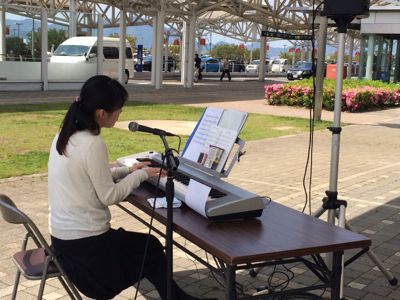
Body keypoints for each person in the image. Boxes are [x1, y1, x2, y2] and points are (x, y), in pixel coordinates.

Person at [48, 75, 215, 300]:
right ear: (101, 113)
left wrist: (128, 171)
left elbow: (90, 176)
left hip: (64, 246)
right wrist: (142, 175)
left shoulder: (65, 135)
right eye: (118, 109)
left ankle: (174, 297)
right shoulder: (93, 144)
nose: (120, 114)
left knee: (147, 247)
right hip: (89, 259)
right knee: (151, 249)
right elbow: (109, 195)